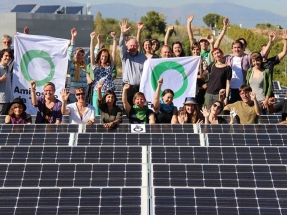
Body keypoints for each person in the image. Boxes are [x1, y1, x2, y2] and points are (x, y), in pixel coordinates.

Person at [119, 20, 147, 106]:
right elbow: (121, 46)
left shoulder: (143, 57)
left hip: (140, 88)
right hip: (128, 87)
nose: (133, 47)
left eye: (135, 46)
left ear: (138, 46)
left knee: (139, 109)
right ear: (127, 47)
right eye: (131, 46)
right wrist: (122, 35)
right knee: (128, 109)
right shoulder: (125, 56)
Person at [90, 31, 116, 115]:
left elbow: (114, 53)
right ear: (99, 56)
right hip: (97, 92)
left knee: (107, 113)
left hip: (108, 92)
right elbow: (91, 53)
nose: (104, 58)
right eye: (102, 56)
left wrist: (115, 39)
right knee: (96, 112)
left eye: (106, 56)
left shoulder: (110, 66)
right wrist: (92, 39)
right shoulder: (95, 66)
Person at [67, 28, 92, 103]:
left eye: (82, 55)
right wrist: (73, 38)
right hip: (73, 94)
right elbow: (70, 53)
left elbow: (94, 56)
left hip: (83, 93)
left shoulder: (85, 63)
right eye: (78, 54)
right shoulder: (72, 64)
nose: (80, 56)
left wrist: (93, 40)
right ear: (75, 55)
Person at [0, 49, 13, 115]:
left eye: (9, 56)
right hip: (1, 100)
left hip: (8, 99)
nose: (8, 58)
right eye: (6, 56)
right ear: (1, 57)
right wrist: (1, 79)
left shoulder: (8, 68)